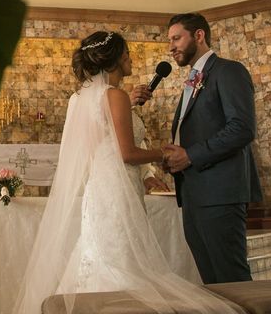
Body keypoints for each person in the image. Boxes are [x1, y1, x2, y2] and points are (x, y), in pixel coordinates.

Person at [14, 31, 243, 314]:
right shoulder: (116, 96)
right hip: (118, 190)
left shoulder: (81, 98)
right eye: (126, 55)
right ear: (112, 62)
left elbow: (102, 141)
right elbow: (127, 154)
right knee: (123, 260)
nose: (130, 59)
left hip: (100, 190)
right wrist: (164, 152)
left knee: (100, 256)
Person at [163, 13, 262, 284]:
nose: (171, 46)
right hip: (194, 193)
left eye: (176, 38)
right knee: (212, 280)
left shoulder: (229, 71)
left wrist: (190, 155)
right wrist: (174, 156)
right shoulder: (194, 78)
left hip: (220, 193)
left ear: (198, 35)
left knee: (232, 277)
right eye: (169, 40)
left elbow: (242, 128)